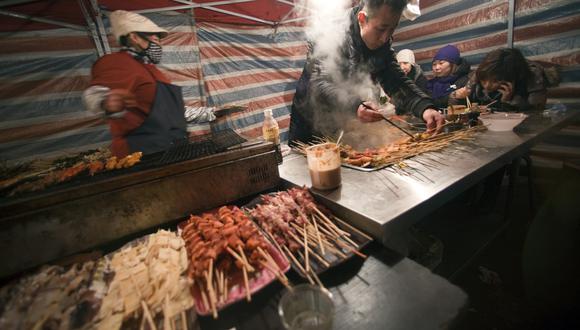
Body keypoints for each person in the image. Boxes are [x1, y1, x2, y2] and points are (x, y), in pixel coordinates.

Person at [288, 0, 444, 144]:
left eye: (392, 29)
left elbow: (395, 80)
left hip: (345, 121)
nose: (385, 38)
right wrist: (355, 105)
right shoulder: (332, 32)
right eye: (381, 29)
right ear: (362, 19)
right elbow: (319, 84)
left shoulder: (382, 43)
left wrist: (425, 107)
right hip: (310, 120)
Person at [83, 10, 190, 158]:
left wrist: (209, 113)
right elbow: (93, 95)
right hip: (142, 153)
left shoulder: (153, 70)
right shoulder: (117, 62)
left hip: (172, 148)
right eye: (154, 36)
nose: (158, 41)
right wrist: (107, 102)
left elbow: (168, 111)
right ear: (134, 37)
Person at [454, 48, 547, 111]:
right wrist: (455, 96)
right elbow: (460, 107)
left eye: (495, 81)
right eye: (483, 80)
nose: (487, 85)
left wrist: (508, 102)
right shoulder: (481, 73)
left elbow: (536, 114)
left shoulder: (532, 76)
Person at [391, 48, 428, 114]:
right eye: (399, 64)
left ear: (411, 64)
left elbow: (421, 98)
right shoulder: (396, 75)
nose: (402, 67)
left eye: (405, 63)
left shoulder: (419, 78)